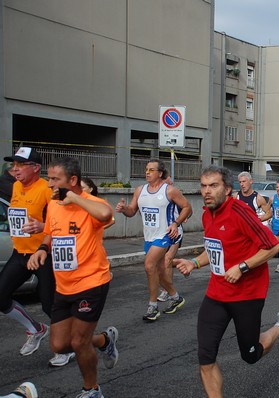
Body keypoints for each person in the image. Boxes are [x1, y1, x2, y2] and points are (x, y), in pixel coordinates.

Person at [173, 165, 279, 398]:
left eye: (213, 186)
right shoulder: (207, 213)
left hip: (248, 294)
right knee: (206, 357)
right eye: (203, 186)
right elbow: (215, 249)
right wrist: (194, 263)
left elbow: (272, 246)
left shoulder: (240, 212)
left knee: (250, 355)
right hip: (217, 294)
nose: (207, 191)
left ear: (228, 189)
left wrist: (242, 267)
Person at [27, 156, 119, 398]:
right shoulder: (54, 205)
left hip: (91, 282)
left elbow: (105, 213)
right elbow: (50, 233)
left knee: (79, 342)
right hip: (64, 286)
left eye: (55, 179)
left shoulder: (89, 203)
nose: (49, 184)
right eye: (49, 178)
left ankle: (91, 389)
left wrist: (75, 197)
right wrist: (42, 250)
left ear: (73, 180)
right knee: (59, 345)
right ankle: (104, 341)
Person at [0, 147, 74, 367]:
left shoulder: (45, 189)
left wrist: (42, 226)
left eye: (20, 165)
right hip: (20, 253)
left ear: (35, 168)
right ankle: (36, 329)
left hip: (44, 254)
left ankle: (67, 346)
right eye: (14, 165)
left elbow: (59, 220)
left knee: (49, 303)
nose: (15, 169)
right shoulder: (14, 186)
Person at [115, 159, 192, 321]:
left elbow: (187, 207)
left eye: (151, 170)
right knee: (159, 271)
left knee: (149, 265)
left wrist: (176, 223)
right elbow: (131, 211)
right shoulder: (139, 190)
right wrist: (123, 209)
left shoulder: (169, 191)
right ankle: (175, 297)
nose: (147, 173)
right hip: (149, 237)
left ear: (160, 173)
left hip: (165, 235)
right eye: (146, 170)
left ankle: (152, 306)